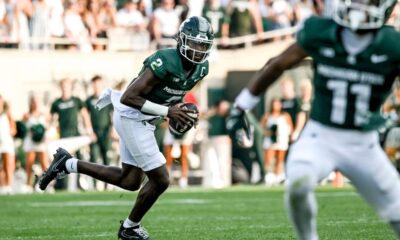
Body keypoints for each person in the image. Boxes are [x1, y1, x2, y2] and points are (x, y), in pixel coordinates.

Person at [227, 0, 400, 238]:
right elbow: (278, 64)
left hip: (363, 144)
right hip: (320, 136)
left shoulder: (392, 44)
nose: (359, 7)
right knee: (298, 184)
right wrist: (242, 104)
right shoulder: (322, 31)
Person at [39, 16, 214, 240]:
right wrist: (169, 112)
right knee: (161, 179)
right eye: (194, 43)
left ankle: (68, 163)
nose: (198, 50)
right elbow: (129, 97)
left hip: (146, 118)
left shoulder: (202, 69)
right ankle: (130, 228)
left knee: (130, 181)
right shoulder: (166, 59)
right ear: (181, 40)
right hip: (132, 114)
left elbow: (170, 94)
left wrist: (182, 111)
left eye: (203, 45)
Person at [50, 78, 95, 190]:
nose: (65, 88)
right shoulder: (57, 103)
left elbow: (85, 115)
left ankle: (82, 182)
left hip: (76, 135)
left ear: (70, 87)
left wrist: (89, 131)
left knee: (80, 159)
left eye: (67, 86)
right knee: (62, 161)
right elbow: (51, 120)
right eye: (63, 86)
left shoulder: (77, 100)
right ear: (60, 87)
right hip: (64, 136)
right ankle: (61, 185)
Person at [85, 75, 114, 189]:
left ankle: (108, 184)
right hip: (94, 133)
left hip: (106, 132)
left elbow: (113, 115)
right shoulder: (88, 100)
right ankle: (95, 185)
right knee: (94, 159)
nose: (96, 86)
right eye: (94, 84)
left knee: (107, 159)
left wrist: (113, 130)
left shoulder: (108, 99)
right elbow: (85, 115)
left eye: (98, 83)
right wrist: (89, 131)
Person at [260, 98, 292, 186]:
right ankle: (268, 176)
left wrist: (282, 132)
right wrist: (269, 132)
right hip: (270, 141)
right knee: (268, 159)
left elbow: (290, 128)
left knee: (279, 159)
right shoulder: (267, 116)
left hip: (281, 140)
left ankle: (278, 176)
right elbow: (260, 128)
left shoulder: (285, 116)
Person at [22, 95, 49, 192]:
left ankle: (47, 185)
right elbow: (23, 129)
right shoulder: (26, 115)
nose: (36, 103)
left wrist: (42, 135)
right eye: (34, 101)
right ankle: (28, 185)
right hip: (30, 142)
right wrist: (32, 132)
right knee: (29, 164)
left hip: (41, 142)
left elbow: (47, 127)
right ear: (31, 103)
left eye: (37, 101)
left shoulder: (43, 115)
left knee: (45, 164)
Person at [0, 95, 16, 194]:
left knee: (8, 166)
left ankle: (9, 186)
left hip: (6, 143)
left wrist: (6, 132)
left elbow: (14, 130)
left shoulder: (7, 115)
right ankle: (2, 186)